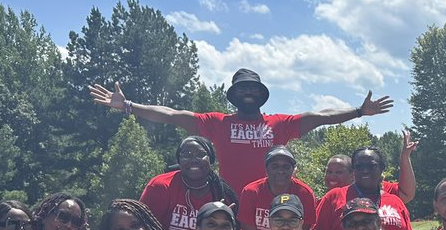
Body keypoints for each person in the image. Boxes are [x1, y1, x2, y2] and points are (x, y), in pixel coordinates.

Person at [90, 68, 394, 193]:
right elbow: (171, 115)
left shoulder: (279, 124)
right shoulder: (217, 123)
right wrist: (128, 106)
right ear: (234, 96)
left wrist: (358, 111)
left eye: (253, 89)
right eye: (242, 89)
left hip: (273, 203)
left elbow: (320, 117)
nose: (248, 93)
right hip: (230, 203)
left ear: (261, 95)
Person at [139, 135, 241, 230]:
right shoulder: (160, 186)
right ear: (179, 161)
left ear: (211, 160)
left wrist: (225, 220)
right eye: (187, 154)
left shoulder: (222, 194)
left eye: (201, 154)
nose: (194, 159)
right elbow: (144, 229)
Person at [313, 147, 415, 230]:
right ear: (353, 170)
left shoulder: (395, 201)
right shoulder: (334, 197)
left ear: (381, 168)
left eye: (371, 166)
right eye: (359, 166)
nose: (365, 170)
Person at [237, 146, 317, 230]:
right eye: (275, 166)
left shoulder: (305, 194)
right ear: (266, 169)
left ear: (293, 170)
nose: (280, 171)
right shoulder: (251, 192)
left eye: (286, 167)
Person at [323, 128, 418, 203]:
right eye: (329, 171)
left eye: (339, 172)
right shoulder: (330, 199)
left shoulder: (383, 188)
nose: (365, 170)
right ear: (354, 169)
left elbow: (406, 194)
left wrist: (405, 157)